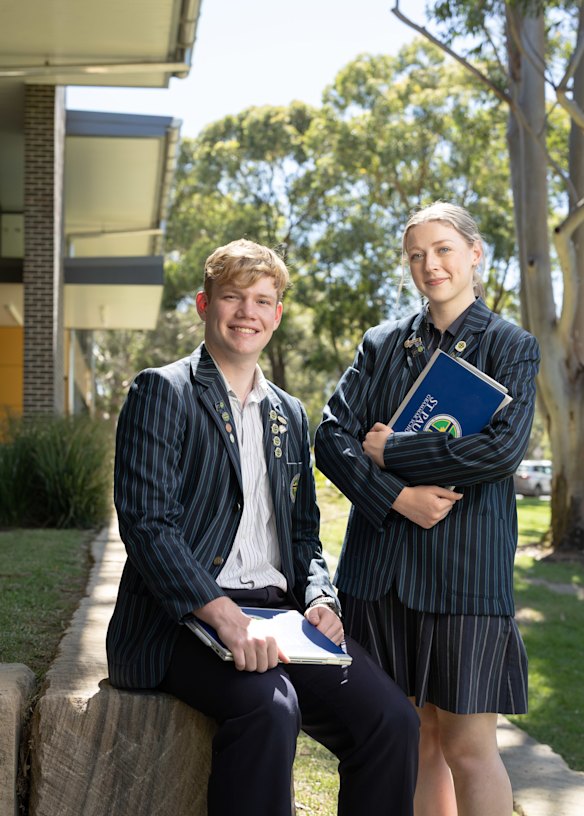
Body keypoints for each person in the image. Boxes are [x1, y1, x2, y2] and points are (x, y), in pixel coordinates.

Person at [106, 238, 419, 816]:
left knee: (391, 720)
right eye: (232, 297)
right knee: (270, 708)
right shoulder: (162, 391)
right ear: (204, 304)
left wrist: (322, 597)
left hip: (280, 616)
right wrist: (225, 618)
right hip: (182, 618)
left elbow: (303, 533)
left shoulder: (289, 412)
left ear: (277, 315)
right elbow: (149, 527)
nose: (247, 311)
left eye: (262, 300)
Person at [314, 202, 540, 816]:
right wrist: (399, 497)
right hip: (380, 573)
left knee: (468, 746)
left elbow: (500, 449)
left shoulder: (510, 347)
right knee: (410, 738)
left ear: (474, 253)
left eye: (442, 249)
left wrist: (393, 448)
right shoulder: (383, 343)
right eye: (416, 254)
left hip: (465, 574)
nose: (429, 264)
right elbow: (330, 438)